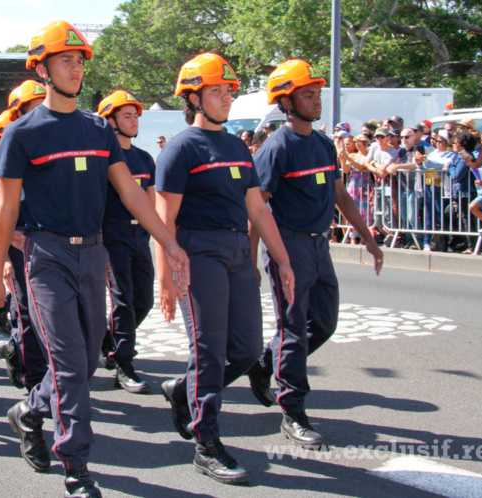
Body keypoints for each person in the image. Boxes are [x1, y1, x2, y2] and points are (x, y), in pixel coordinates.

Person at [0, 20, 189, 497]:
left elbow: (134, 196)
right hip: (45, 257)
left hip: (93, 253)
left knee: (87, 358)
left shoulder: (98, 128)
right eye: (65, 61)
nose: (75, 69)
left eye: (79, 61)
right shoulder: (21, 135)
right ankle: (77, 466)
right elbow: (7, 209)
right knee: (71, 363)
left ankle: (30, 412)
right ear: (43, 68)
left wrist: (169, 241)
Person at [153, 53, 295, 486]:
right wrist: (165, 278)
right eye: (216, 90)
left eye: (229, 90)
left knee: (249, 349)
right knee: (209, 351)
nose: (226, 98)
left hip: (236, 250)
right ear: (193, 97)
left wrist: (282, 259)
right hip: (199, 253)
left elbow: (257, 207)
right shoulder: (181, 148)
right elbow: (163, 218)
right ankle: (206, 442)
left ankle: (184, 390)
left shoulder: (236, 145)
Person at [246, 59, 383, 450]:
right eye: (307, 94)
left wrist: (368, 238)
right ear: (286, 102)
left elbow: (342, 196)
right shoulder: (275, 148)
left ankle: (264, 363)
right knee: (293, 328)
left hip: (319, 245)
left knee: (322, 324)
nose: (316, 100)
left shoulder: (323, 143)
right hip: (288, 246)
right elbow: (257, 209)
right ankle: (292, 410)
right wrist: (256, 260)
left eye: (317, 93)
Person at [96, 90, 156, 394]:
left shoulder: (145, 158)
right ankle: (123, 363)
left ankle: (107, 341)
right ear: (111, 120)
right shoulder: (104, 159)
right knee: (123, 299)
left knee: (144, 300)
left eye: (135, 115)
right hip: (113, 233)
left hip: (140, 235)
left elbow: (151, 201)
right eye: (127, 115)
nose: (134, 121)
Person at [0, 81, 47, 393]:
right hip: (18, 240)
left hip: (50, 240)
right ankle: (33, 376)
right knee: (28, 310)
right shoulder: (10, 148)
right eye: (35, 106)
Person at [338, 135, 374, 244]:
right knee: (352, 212)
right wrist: (343, 158)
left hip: (364, 186)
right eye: (356, 142)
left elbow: (361, 166)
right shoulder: (353, 155)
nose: (358, 144)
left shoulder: (368, 155)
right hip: (353, 185)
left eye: (360, 142)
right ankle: (353, 238)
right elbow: (346, 170)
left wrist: (348, 158)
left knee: (365, 212)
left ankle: (363, 239)